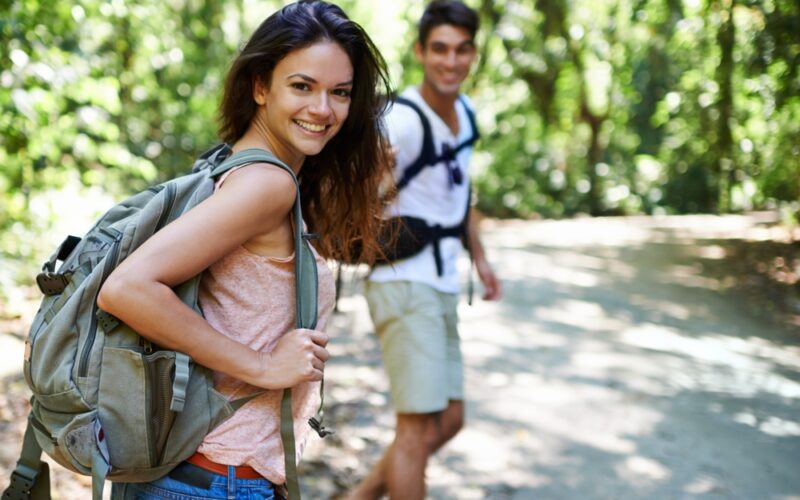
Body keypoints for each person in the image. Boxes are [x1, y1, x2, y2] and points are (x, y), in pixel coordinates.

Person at [97, 1, 392, 498]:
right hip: (218, 481)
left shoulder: (235, 165)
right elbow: (127, 289)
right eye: (302, 86)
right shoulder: (266, 185)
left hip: (199, 476)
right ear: (260, 86)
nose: (323, 109)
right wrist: (261, 367)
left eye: (339, 93)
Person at [349, 1, 502, 499]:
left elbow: (460, 191)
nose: (450, 62)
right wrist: (380, 181)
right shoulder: (402, 120)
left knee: (450, 419)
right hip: (401, 279)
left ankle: (357, 496)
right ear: (420, 51)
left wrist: (478, 256)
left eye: (461, 50)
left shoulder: (466, 113)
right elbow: (358, 200)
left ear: (474, 53)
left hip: (438, 280)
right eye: (439, 49)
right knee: (414, 430)